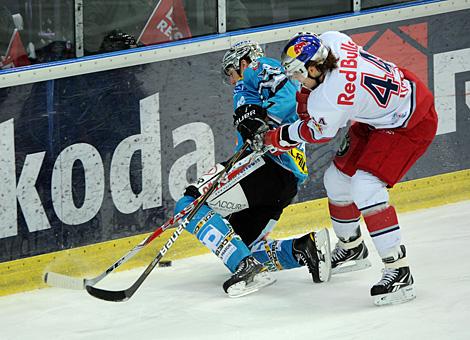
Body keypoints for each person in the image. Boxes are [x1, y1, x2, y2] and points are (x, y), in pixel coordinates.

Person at [263, 31, 438, 305]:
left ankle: (399, 270)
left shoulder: (331, 98)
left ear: (313, 68)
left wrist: (279, 137)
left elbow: (317, 132)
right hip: (380, 113)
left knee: (365, 187)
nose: (297, 80)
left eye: (299, 74)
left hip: (410, 121)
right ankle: (352, 248)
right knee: (336, 180)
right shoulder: (333, 41)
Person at [174, 40, 332, 297]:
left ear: (243, 62)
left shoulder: (257, 68)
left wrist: (264, 121)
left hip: (265, 166)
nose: (232, 79)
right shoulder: (248, 94)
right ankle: (303, 249)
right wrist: (255, 121)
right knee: (241, 244)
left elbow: (290, 93)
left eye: (231, 71)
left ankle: (246, 268)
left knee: (187, 206)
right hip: (283, 181)